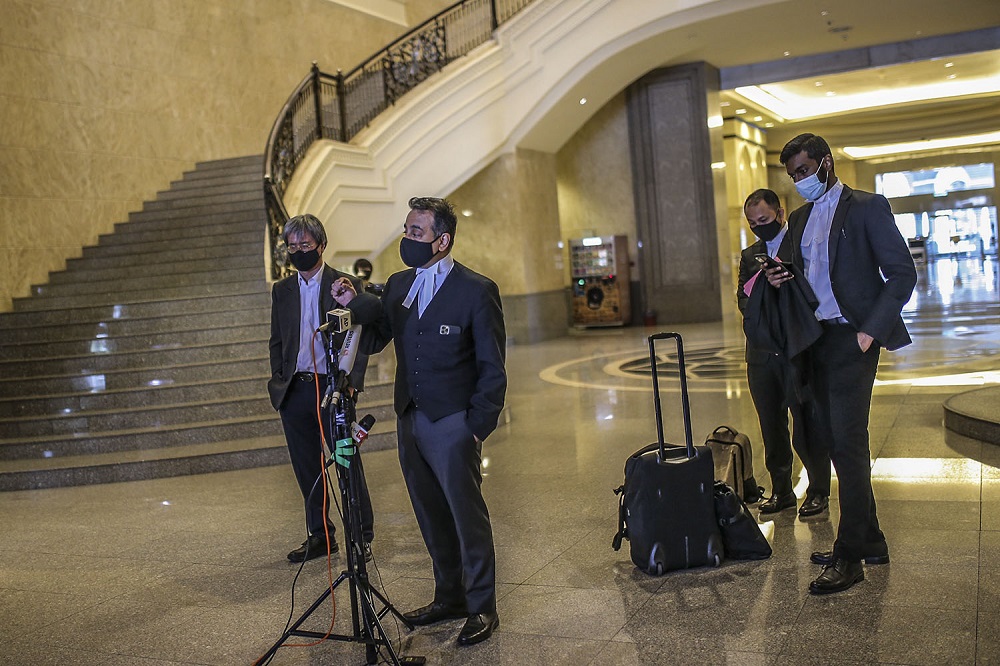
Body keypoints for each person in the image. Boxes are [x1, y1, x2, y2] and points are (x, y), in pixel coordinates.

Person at [333, 196, 506, 646]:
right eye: (406, 229)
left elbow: (492, 367)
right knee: (429, 513)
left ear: (442, 240)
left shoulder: (476, 289)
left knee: (466, 516)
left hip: (453, 422)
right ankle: (449, 596)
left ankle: (483, 606)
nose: (406, 239)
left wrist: (476, 426)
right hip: (410, 419)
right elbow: (377, 336)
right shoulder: (398, 284)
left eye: (416, 232)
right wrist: (353, 302)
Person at [766, 134, 916, 594]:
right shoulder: (799, 217)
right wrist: (776, 276)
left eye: (805, 171)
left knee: (848, 445)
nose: (799, 181)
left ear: (827, 163)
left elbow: (902, 273)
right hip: (816, 340)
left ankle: (850, 557)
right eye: (792, 176)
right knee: (830, 440)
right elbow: (798, 277)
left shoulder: (869, 207)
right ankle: (870, 539)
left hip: (853, 339)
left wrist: (869, 330)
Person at [268, 214, 380, 564]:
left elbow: (359, 339)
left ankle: (360, 536)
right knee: (307, 468)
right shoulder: (282, 290)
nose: (298, 252)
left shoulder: (343, 284)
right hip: (295, 389)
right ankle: (320, 536)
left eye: (305, 245)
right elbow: (277, 341)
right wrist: (278, 378)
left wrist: (349, 386)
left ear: (321, 245)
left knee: (346, 463)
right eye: (293, 246)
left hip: (331, 387)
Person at [738, 188, 831, 518]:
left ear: (779, 213)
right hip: (762, 353)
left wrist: (784, 283)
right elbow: (744, 301)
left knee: (806, 423)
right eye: (751, 223)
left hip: (796, 349)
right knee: (770, 425)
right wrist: (766, 286)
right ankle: (781, 490)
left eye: (763, 219)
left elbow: (814, 292)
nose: (758, 227)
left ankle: (818, 490)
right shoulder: (751, 257)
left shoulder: (802, 246)